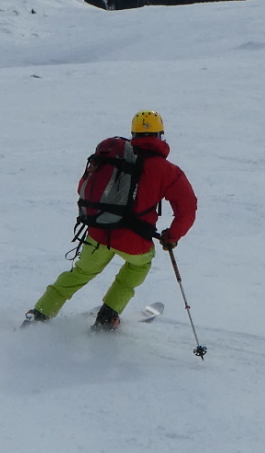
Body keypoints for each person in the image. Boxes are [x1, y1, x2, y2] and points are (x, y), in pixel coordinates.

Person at [25, 110, 197, 331]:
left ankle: (39, 313)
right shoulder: (168, 171)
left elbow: (84, 188)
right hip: (135, 242)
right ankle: (108, 315)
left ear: (133, 134)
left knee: (80, 273)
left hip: (99, 231)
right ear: (160, 135)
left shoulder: (113, 159)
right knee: (139, 266)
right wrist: (172, 236)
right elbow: (187, 209)